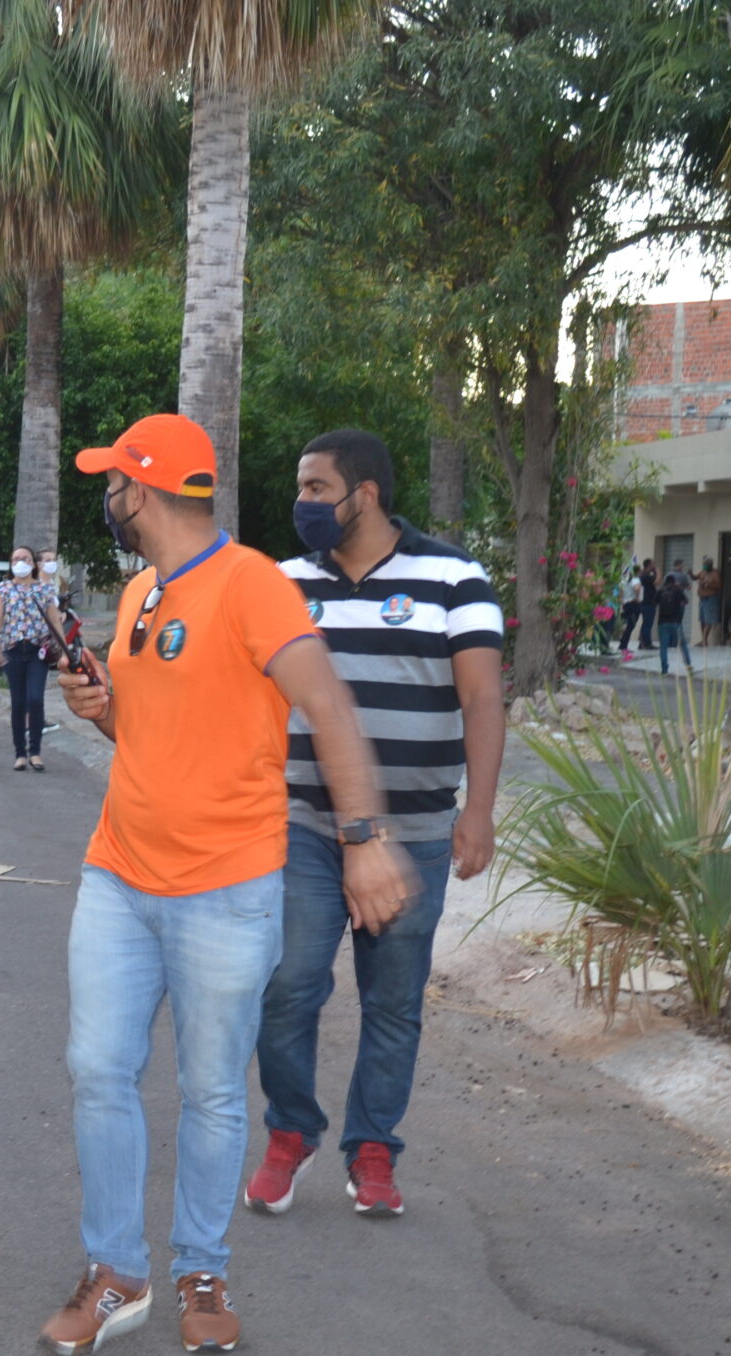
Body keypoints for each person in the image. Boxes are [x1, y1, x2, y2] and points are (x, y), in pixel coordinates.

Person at [39, 414, 413, 1356]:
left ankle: (202, 1267)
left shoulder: (251, 583)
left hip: (226, 888)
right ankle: (117, 1271)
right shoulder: (140, 593)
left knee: (210, 1091)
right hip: (119, 875)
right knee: (99, 1069)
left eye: (113, 482)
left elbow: (328, 705)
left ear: (143, 489)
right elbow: (146, 730)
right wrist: (101, 707)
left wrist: (363, 841)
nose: (108, 498)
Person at [245, 429, 505, 1220]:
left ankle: (373, 1147)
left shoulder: (454, 578)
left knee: (393, 1000)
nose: (301, 503)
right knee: (286, 984)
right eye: (301, 487)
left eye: (316, 488)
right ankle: (291, 1130)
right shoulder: (284, 583)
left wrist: (479, 811)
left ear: (365, 494)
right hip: (303, 824)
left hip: (416, 833)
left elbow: (482, 700)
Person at [0, 546, 58, 771]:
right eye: (16, 559)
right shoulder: (3, 589)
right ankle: (20, 753)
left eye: (25, 558)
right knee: (18, 703)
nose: (20, 562)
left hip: (37, 651)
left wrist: (63, 648)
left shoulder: (44, 589)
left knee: (35, 699)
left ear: (33, 563)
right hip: (12, 650)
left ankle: (35, 752)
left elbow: (54, 620)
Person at [656, 568, 695, 674]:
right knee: (683, 645)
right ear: (674, 582)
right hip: (676, 622)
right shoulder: (677, 591)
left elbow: (655, 602)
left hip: (662, 623)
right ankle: (688, 666)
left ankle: (664, 669)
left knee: (663, 647)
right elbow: (686, 601)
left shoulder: (660, 591)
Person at [696, 558, 725, 646]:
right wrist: (691, 574)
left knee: (708, 620)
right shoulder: (703, 572)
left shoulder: (715, 573)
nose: (704, 567)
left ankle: (705, 640)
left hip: (710, 599)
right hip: (702, 599)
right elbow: (695, 577)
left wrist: (709, 585)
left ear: (710, 565)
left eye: (706, 565)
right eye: (704, 565)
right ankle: (703, 640)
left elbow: (718, 586)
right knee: (702, 620)